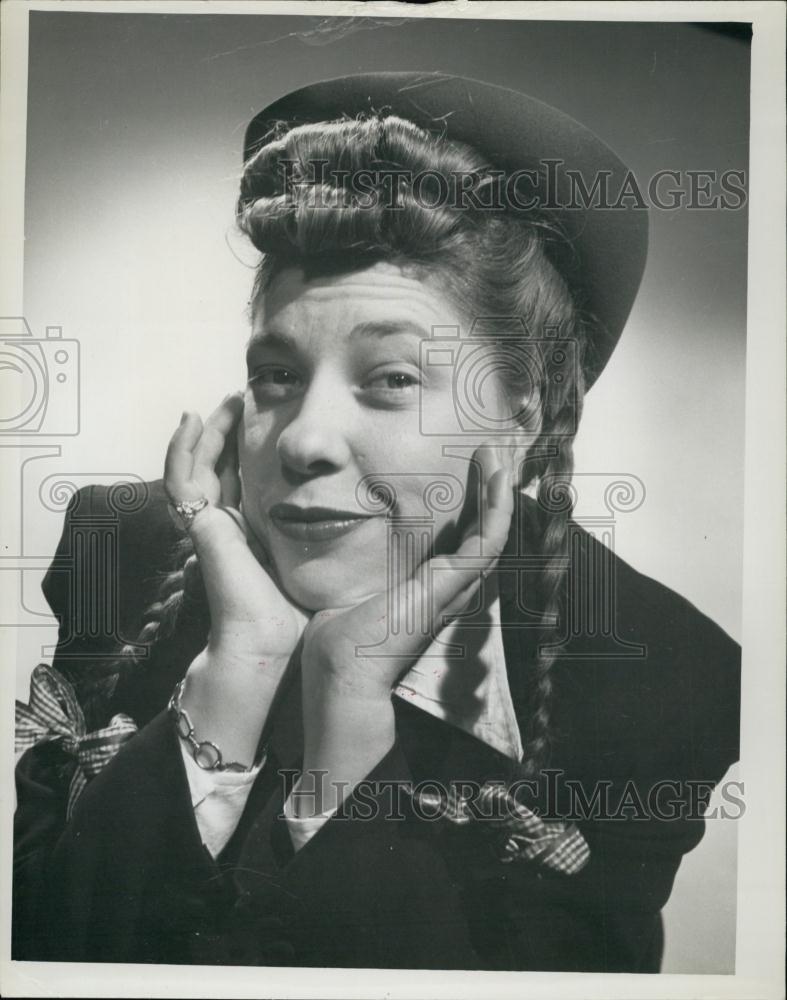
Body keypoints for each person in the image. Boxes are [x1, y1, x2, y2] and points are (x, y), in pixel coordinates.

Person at [13, 72, 740, 972]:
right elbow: (54, 949)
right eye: (277, 374)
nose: (306, 439)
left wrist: (348, 703)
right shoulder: (119, 544)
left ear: (523, 414)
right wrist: (236, 669)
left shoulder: (660, 673)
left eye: (391, 379)